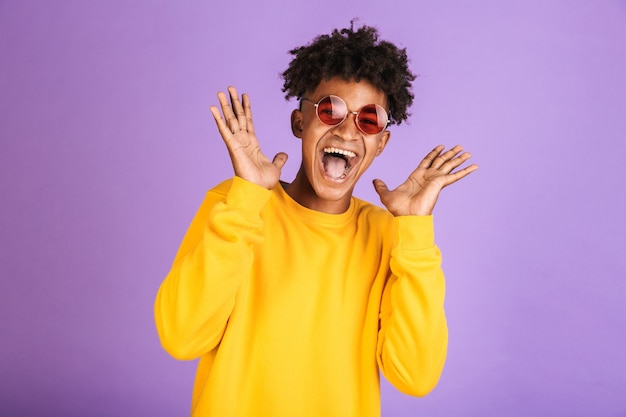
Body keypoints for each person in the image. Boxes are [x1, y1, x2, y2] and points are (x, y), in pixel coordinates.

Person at [154, 22, 477, 417]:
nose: (345, 130)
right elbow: (180, 337)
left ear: (380, 143)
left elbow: (416, 377)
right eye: (330, 110)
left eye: (369, 120)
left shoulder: (389, 236)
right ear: (299, 122)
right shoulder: (237, 203)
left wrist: (415, 233)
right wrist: (245, 202)